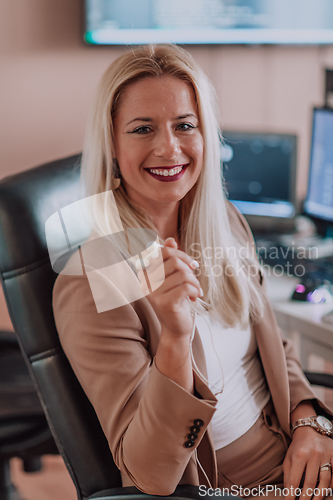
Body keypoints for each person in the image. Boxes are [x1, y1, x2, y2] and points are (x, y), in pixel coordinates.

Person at [53, 44, 333, 498]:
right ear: (112, 145)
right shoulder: (95, 278)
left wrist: (311, 422)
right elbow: (149, 473)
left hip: (293, 448)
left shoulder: (222, 221)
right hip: (228, 486)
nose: (169, 147)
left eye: (185, 125)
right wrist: (176, 339)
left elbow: (274, 345)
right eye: (142, 129)